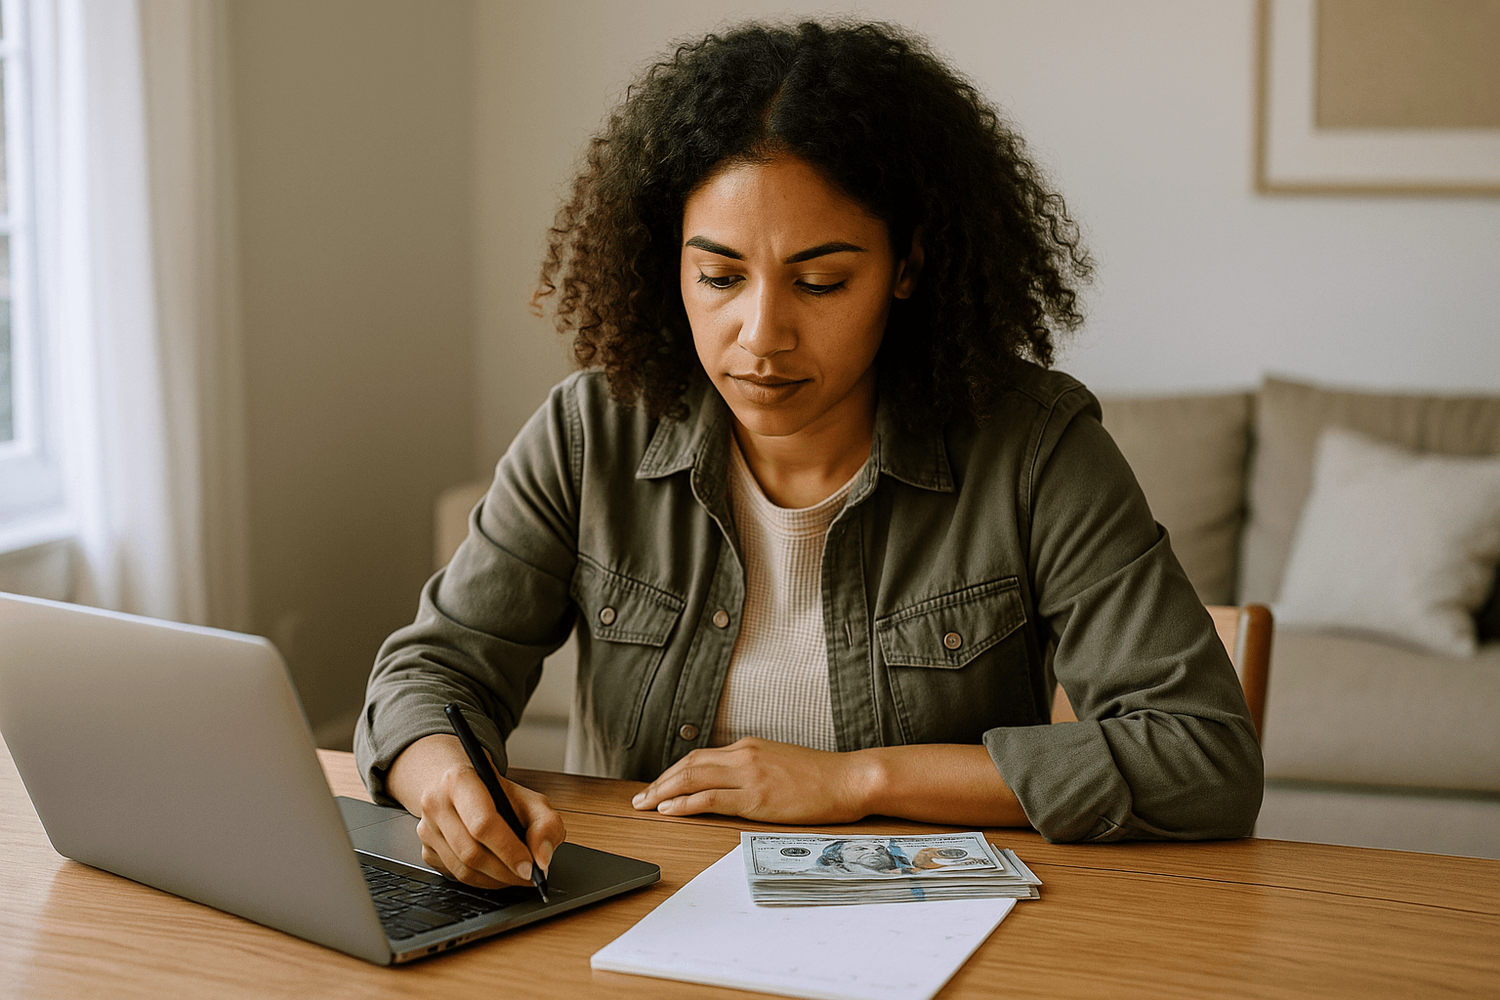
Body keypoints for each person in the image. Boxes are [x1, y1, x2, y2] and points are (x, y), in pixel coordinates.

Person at [355, 19, 1263, 891]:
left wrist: (858, 779)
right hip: (647, 915)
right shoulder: (592, 432)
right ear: (665, 262)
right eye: (718, 277)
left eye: (821, 281)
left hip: (930, 925)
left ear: (907, 266)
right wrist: (445, 789)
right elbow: (431, 675)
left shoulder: (1032, 448)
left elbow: (1203, 754)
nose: (761, 335)